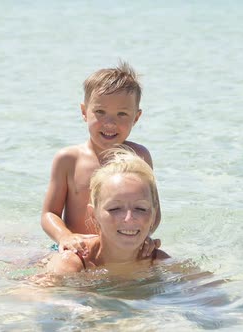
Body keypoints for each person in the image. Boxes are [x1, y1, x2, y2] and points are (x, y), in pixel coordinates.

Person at [41, 61, 161, 258]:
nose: (110, 123)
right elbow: (49, 214)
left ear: (136, 117)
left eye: (122, 114)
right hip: (78, 250)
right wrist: (65, 237)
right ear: (84, 112)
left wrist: (145, 235)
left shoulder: (140, 156)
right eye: (100, 112)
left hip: (123, 250)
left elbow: (153, 209)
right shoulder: (69, 159)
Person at [45, 147, 170, 274]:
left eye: (141, 208)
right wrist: (65, 236)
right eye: (114, 208)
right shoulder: (71, 264)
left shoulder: (159, 262)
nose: (129, 218)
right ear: (93, 215)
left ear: (154, 215)